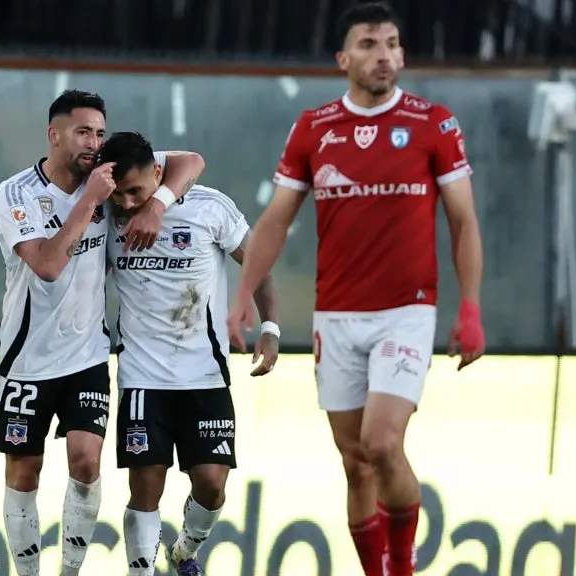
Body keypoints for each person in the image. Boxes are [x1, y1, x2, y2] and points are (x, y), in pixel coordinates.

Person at [226, 4, 486, 576]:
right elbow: (275, 220)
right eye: (370, 44)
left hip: (407, 311)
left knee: (382, 444)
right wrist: (243, 292)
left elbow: (463, 220)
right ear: (345, 59)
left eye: (392, 43)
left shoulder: (432, 122)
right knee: (355, 462)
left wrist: (469, 309)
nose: (385, 54)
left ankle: (401, 565)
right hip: (337, 316)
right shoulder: (314, 127)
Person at [0, 89, 205, 576]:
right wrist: (88, 202)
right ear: (54, 134)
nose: (93, 142)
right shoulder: (16, 193)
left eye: (99, 133)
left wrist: (157, 205)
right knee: (24, 471)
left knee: (87, 464)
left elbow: (191, 160)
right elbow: (46, 264)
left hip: (87, 354)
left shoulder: (106, 175)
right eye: (83, 131)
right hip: (26, 357)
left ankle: (70, 570)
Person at [97, 131, 280, 576]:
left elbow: (256, 262)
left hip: (205, 373)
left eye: (135, 191)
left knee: (212, 486)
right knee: (145, 486)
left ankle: (184, 551)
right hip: (142, 377)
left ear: (158, 175)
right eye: (117, 194)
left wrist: (270, 327)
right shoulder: (102, 214)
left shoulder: (208, 207)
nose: (125, 203)